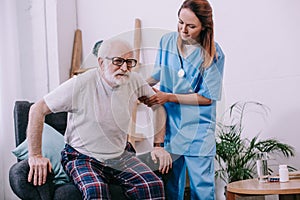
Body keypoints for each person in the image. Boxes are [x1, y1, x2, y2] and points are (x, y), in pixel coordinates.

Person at [26, 38, 172, 199]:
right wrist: (35, 156)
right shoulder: (79, 84)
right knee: (96, 190)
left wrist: (158, 145)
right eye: (118, 61)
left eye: (130, 62)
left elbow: (158, 106)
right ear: (101, 62)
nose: (125, 68)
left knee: (152, 185)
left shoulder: (134, 80)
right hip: (82, 157)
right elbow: (37, 109)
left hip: (120, 155)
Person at [140, 0, 225, 199]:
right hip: (171, 128)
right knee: (171, 189)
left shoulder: (214, 54)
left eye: (191, 26)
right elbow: (159, 72)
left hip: (199, 131)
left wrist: (168, 96)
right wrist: (139, 87)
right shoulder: (167, 41)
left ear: (205, 27)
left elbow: (206, 98)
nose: (183, 30)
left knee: (201, 191)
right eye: (180, 22)